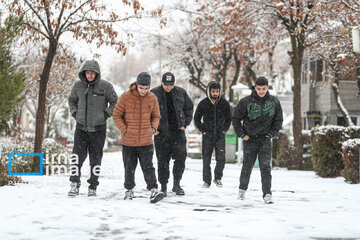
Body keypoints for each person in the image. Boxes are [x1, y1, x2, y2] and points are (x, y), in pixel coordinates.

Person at [68, 60, 118, 197]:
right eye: (88, 73)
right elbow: (71, 100)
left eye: (92, 73)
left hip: (98, 130)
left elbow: (115, 102)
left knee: (95, 160)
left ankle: (93, 186)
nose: (90, 75)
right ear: (84, 73)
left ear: (97, 74)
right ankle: (74, 183)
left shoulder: (105, 86)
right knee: (76, 158)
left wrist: (106, 114)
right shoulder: (78, 86)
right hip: (81, 129)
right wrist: (74, 113)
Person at [113, 72, 165, 203]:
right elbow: (116, 115)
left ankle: (153, 190)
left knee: (148, 167)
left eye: (146, 88)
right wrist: (125, 130)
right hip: (128, 141)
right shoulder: (125, 97)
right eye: (141, 88)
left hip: (146, 140)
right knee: (129, 167)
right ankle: (129, 190)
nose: (144, 91)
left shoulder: (152, 98)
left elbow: (156, 116)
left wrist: (153, 128)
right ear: (136, 85)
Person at [232, 76, 283, 204]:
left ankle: (267, 194)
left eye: (264, 89)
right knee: (247, 166)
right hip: (249, 139)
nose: (261, 91)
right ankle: (242, 191)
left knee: (265, 167)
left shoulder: (274, 102)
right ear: (255, 87)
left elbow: (278, 121)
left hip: (265, 140)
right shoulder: (245, 102)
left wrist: (271, 134)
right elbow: (236, 119)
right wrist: (242, 134)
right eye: (259, 88)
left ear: (267, 88)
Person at [151, 72, 194, 196]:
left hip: (178, 133)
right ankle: (163, 186)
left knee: (180, 159)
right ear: (161, 82)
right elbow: (147, 112)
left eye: (171, 85)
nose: (168, 87)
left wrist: (184, 124)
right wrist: (154, 129)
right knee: (162, 161)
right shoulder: (154, 93)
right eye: (166, 84)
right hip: (161, 134)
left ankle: (177, 184)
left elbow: (189, 108)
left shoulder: (181, 92)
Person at [194, 81, 232, 188]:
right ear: (209, 91)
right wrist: (203, 130)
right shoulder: (203, 103)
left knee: (221, 158)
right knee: (206, 159)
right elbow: (196, 118)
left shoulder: (224, 103)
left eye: (217, 91)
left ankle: (218, 178)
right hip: (208, 136)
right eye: (213, 91)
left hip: (220, 135)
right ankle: (207, 181)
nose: (215, 93)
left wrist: (224, 130)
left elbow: (229, 119)